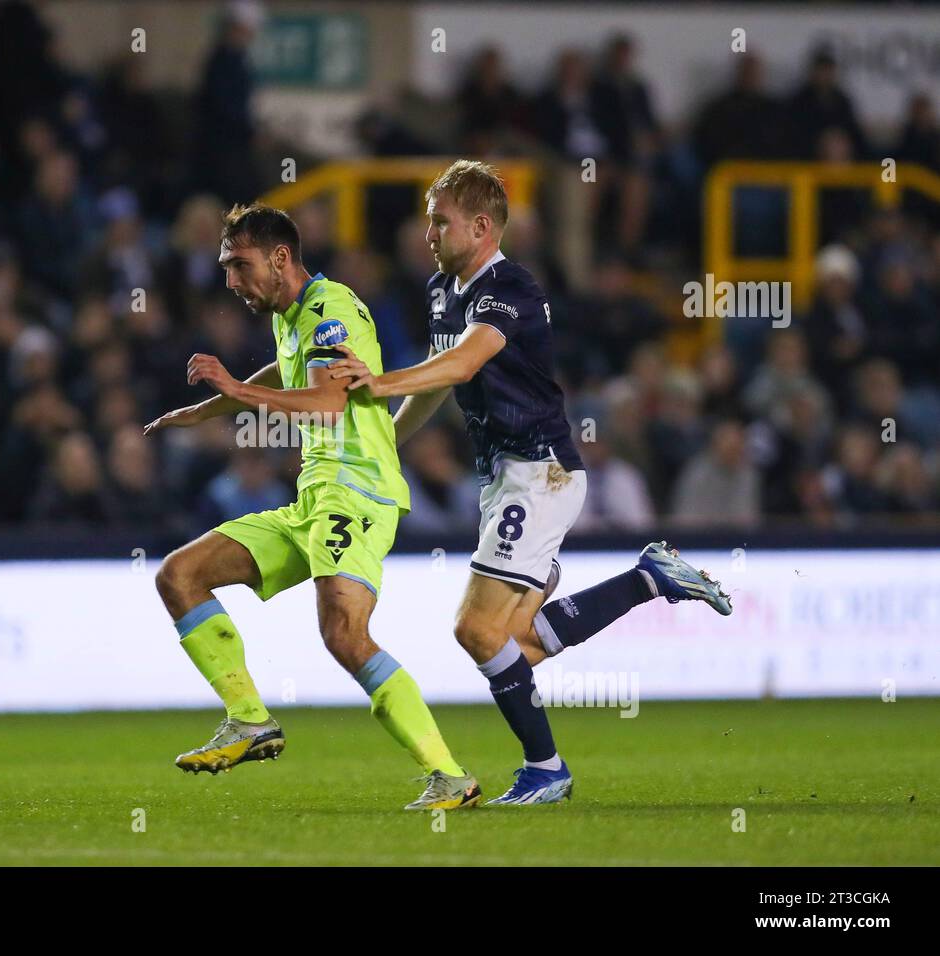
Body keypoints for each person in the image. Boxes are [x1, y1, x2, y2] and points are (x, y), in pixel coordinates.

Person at [330, 161, 732, 805]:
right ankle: (649, 578)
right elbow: (442, 381)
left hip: (539, 474)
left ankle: (547, 769)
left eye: (440, 221)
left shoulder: (511, 289)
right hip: (504, 480)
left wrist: (377, 382)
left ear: (482, 226)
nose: (427, 232)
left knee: (475, 632)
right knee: (515, 642)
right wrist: (385, 445)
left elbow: (463, 362)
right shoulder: (441, 290)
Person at [144, 203, 481, 810]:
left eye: (239, 266)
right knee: (180, 574)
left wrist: (235, 390)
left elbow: (328, 401)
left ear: (280, 259)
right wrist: (210, 410)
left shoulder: (332, 309)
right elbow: (286, 372)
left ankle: (450, 775)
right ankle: (249, 720)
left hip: (357, 490)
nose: (230, 282)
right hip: (313, 499)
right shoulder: (291, 315)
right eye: (224, 268)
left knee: (346, 635)